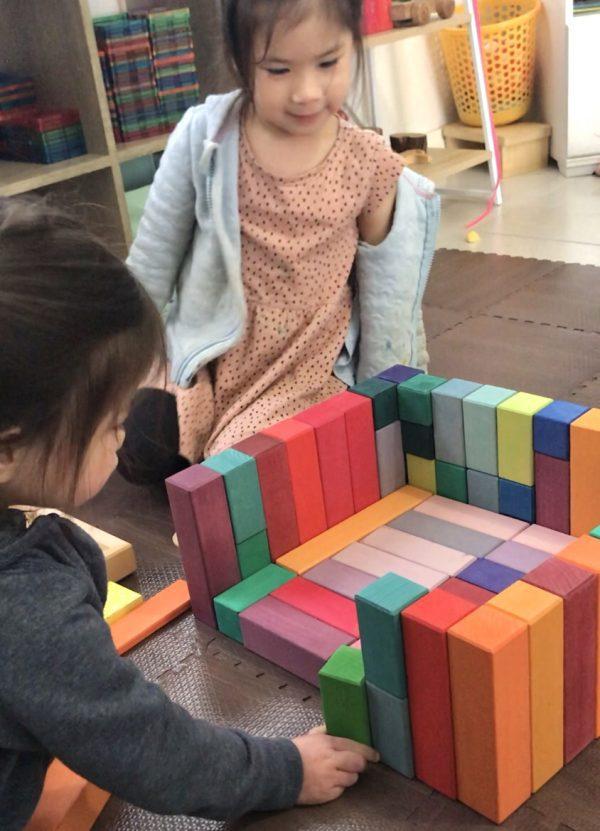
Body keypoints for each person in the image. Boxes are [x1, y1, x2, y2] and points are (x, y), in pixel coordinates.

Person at [0, 197, 378, 830]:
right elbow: (148, 749)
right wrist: (286, 770)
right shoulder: (26, 610)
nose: (123, 437)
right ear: (8, 448)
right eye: (112, 423)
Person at [122, 0, 439, 484]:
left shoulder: (367, 161)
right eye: (278, 69)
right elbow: (149, 268)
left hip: (304, 368)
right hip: (211, 355)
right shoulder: (206, 137)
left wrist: (385, 401)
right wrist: (117, 371)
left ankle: (242, 468)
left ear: (353, 45)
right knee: (135, 439)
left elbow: (390, 294)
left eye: (328, 63)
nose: (308, 92)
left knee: (256, 469)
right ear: (241, 61)